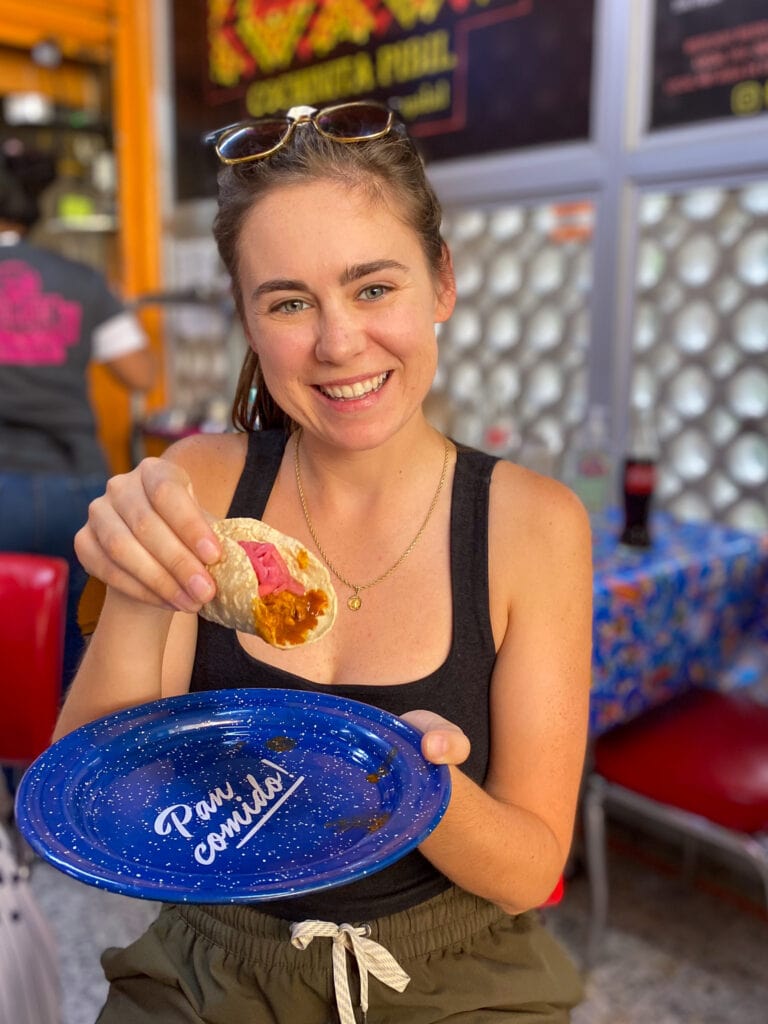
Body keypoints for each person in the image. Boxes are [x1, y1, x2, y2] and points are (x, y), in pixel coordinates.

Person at [57, 100, 593, 1023]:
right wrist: (144, 582)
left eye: (373, 287)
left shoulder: (533, 524)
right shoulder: (201, 482)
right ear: (249, 321)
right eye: (289, 302)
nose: (338, 343)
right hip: (209, 965)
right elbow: (98, 810)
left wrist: (415, 779)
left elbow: (531, 868)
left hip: (451, 977)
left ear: (443, 285)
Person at [0, 153, 156, 691]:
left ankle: (15, 766)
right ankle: (61, 766)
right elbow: (140, 373)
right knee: (79, 639)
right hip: (76, 481)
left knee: (7, 647)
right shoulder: (82, 282)